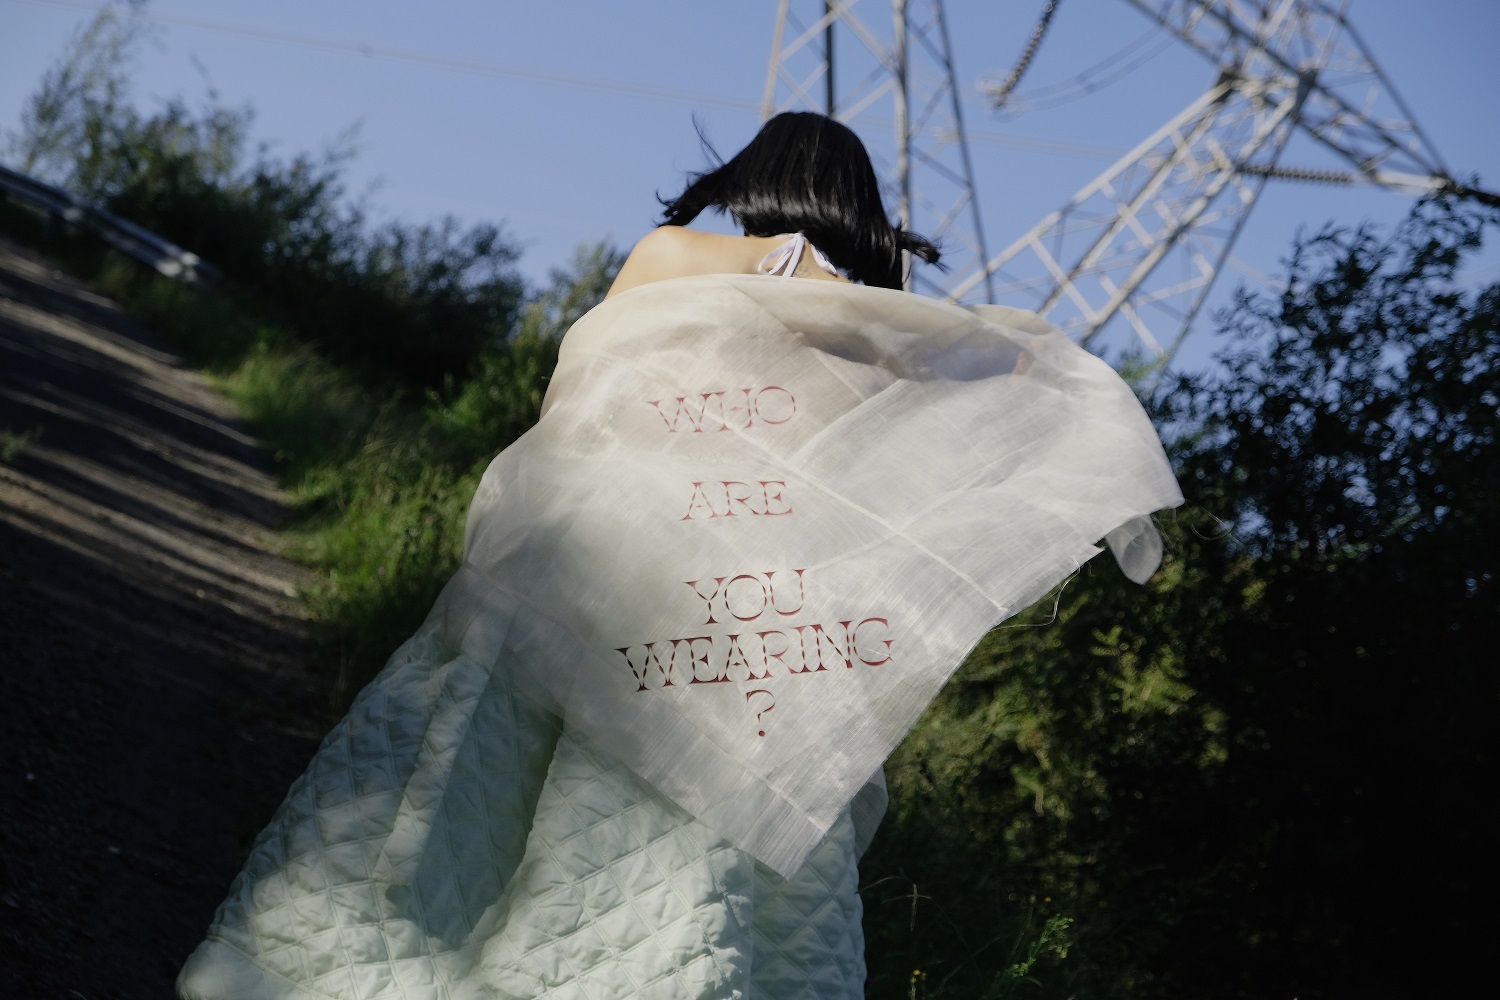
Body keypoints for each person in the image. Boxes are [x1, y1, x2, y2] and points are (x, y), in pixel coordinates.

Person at [178, 112, 1180, 1000]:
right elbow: (995, 380)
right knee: (713, 876)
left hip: (599, 575)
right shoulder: (866, 335)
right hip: (759, 639)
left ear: (755, 182)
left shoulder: (678, 262)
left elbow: (574, 413)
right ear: (852, 203)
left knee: (471, 800)